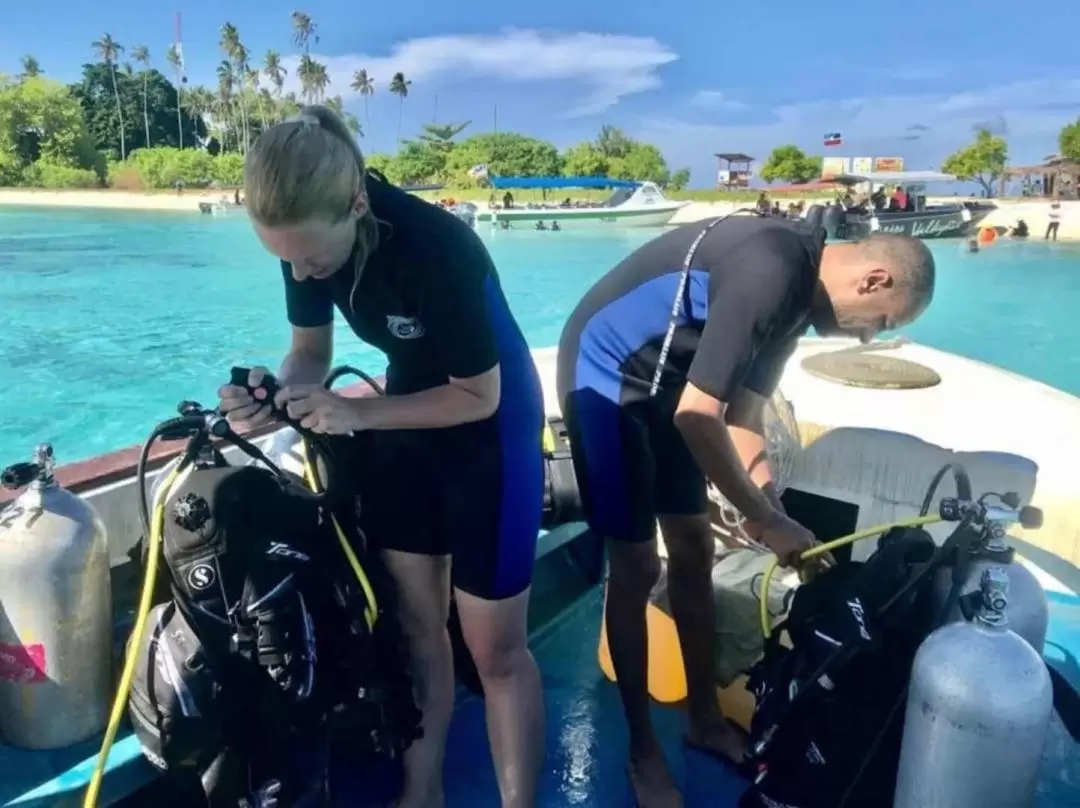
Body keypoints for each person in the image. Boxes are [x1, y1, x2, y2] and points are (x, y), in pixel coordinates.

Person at [217, 105, 545, 808]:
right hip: (405, 419)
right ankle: (420, 788)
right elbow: (310, 355)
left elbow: (477, 394)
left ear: (357, 204)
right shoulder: (303, 240)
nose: (302, 271)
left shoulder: (436, 245)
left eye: (312, 257)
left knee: (496, 652)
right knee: (416, 625)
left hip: (491, 429)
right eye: (285, 259)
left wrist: (358, 414)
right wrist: (272, 399)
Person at [556, 216, 936, 807]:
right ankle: (641, 748)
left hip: (672, 389)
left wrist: (771, 509)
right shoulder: (773, 263)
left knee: (694, 548)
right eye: (881, 323)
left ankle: (703, 717)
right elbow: (697, 416)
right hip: (607, 376)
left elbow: (743, 418)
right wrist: (760, 518)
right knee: (634, 567)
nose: (867, 339)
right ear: (874, 279)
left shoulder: (797, 305)